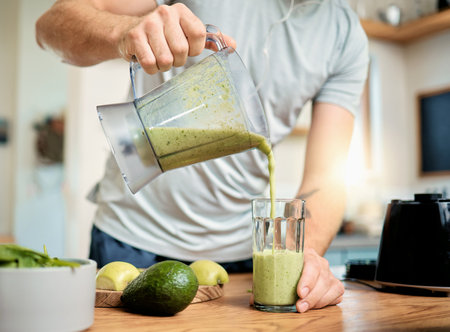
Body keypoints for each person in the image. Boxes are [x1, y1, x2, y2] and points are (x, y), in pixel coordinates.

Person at [36, 0, 368, 313]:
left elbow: (327, 178)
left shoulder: (345, 34)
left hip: (244, 261)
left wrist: (303, 257)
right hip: (132, 240)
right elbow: (50, 27)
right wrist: (125, 30)